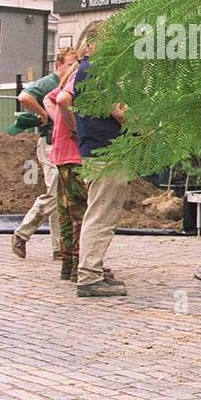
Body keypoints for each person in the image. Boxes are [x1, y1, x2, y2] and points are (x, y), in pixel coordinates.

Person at [71, 50, 130, 298]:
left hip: (97, 153)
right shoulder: (95, 70)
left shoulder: (85, 70)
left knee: (97, 213)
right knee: (101, 216)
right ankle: (89, 277)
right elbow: (120, 111)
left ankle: (92, 267)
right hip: (105, 154)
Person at [10, 61, 69, 261]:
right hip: (51, 144)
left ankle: (58, 247)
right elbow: (24, 96)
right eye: (69, 64)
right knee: (56, 192)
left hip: (61, 144)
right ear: (59, 65)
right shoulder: (50, 82)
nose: (72, 68)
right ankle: (22, 232)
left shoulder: (67, 81)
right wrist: (43, 114)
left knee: (60, 196)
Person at [49, 50, 88, 281]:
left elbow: (51, 99)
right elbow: (61, 101)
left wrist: (59, 124)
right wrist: (74, 129)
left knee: (65, 211)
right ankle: (79, 265)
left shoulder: (66, 79)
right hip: (74, 156)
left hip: (62, 155)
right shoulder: (78, 78)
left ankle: (67, 263)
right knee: (82, 211)